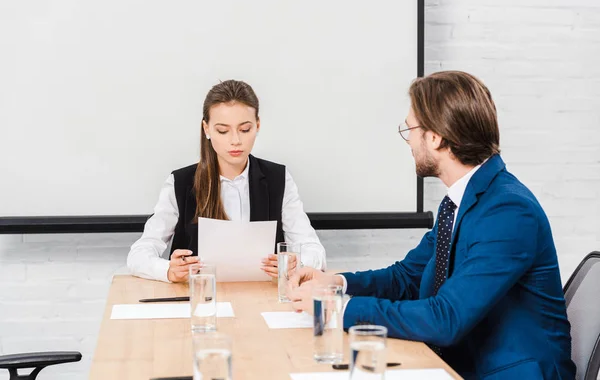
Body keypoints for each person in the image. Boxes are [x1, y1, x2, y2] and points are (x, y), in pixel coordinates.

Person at [288, 71, 575, 379]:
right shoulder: (459, 201)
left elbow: (446, 318)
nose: (409, 140)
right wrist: (336, 283)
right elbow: (407, 277)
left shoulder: (508, 212)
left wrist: (339, 309)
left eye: (411, 128)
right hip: (459, 362)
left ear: (435, 137)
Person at [127, 79, 326, 283]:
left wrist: (296, 264)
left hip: (263, 301)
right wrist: (168, 269)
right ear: (207, 129)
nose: (235, 141)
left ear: (257, 125)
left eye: (245, 129)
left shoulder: (278, 178)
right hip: (200, 303)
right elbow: (138, 255)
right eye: (223, 131)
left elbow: (314, 250)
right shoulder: (181, 182)